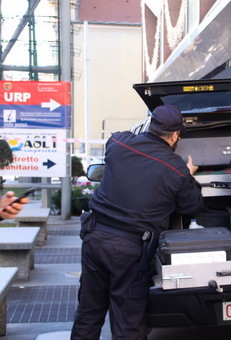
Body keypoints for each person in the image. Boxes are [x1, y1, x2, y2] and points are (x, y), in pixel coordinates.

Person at [71, 104, 204, 340]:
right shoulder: (176, 169)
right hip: (130, 250)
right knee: (128, 322)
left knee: (88, 313)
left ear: (150, 126)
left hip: (95, 238)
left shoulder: (119, 143)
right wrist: (189, 175)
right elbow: (191, 206)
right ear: (175, 136)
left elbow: (115, 140)